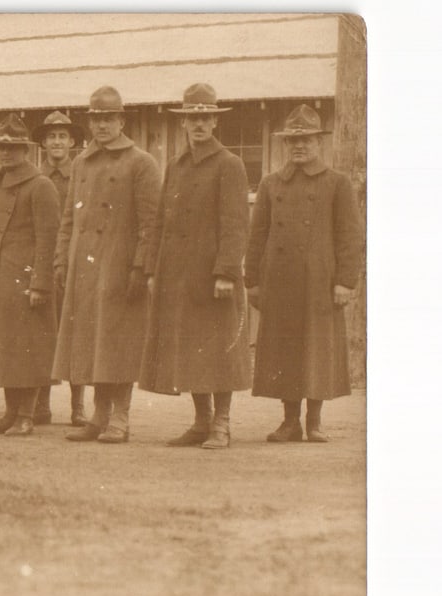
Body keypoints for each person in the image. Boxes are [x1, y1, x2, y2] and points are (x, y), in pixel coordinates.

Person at [140, 83, 252, 449]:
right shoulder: (176, 165)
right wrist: (153, 270)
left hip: (212, 275)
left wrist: (226, 272)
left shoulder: (229, 164)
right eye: (192, 118)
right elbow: (160, 221)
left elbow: (235, 223)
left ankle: (222, 424)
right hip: (178, 275)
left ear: (215, 122)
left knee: (218, 349)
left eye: (205, 118)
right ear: (184, 122)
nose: (199, 124)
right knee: (190, 349)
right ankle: (202, 421)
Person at [245, 104, 365, 443]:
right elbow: (257, 235)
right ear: (286, 144)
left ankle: (314, 422)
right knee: (285, 349)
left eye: (307, 140)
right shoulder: (270, 184)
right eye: (293, 140)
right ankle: (289, 422)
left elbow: (350, 236)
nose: (299, 146)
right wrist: (252, 281)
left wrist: (345, 281)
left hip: (319, 283)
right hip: (279, 280)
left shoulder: (337, 183)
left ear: (319, 142)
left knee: (316, 349)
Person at [52, 87, 160, 443]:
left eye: (109, 119)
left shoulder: (141, 162)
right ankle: (99, 416)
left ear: (121, 121)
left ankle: (121, 418)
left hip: (119, 265)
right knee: (92, 341)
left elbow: (151, 223)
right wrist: (61, 260)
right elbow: (68, 219)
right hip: (84, 267)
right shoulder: (80, 163)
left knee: (118, 342)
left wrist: (141, 268)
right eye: (96, 119)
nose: (102, 126)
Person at [0, 114, 60, 436]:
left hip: (25, 280)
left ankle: (26, 415)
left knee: (26, 349)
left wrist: (40, 284)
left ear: (25, 150)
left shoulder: (40, 186)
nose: (5, 153)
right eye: (1, 147)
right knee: (3, 349)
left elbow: (48, 239)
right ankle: (10, 413)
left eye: (13, 147)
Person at [34, 110, 87, 427]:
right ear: (43, 143)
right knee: (41, 334)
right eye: (51, 137)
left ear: (72, 142)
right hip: (41, 265)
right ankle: (41, 403)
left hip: (71, 264)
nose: (56, 142)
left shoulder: (80, 175)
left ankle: (78, 406)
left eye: (62, 137)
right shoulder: (34, 177)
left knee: (75, 335)